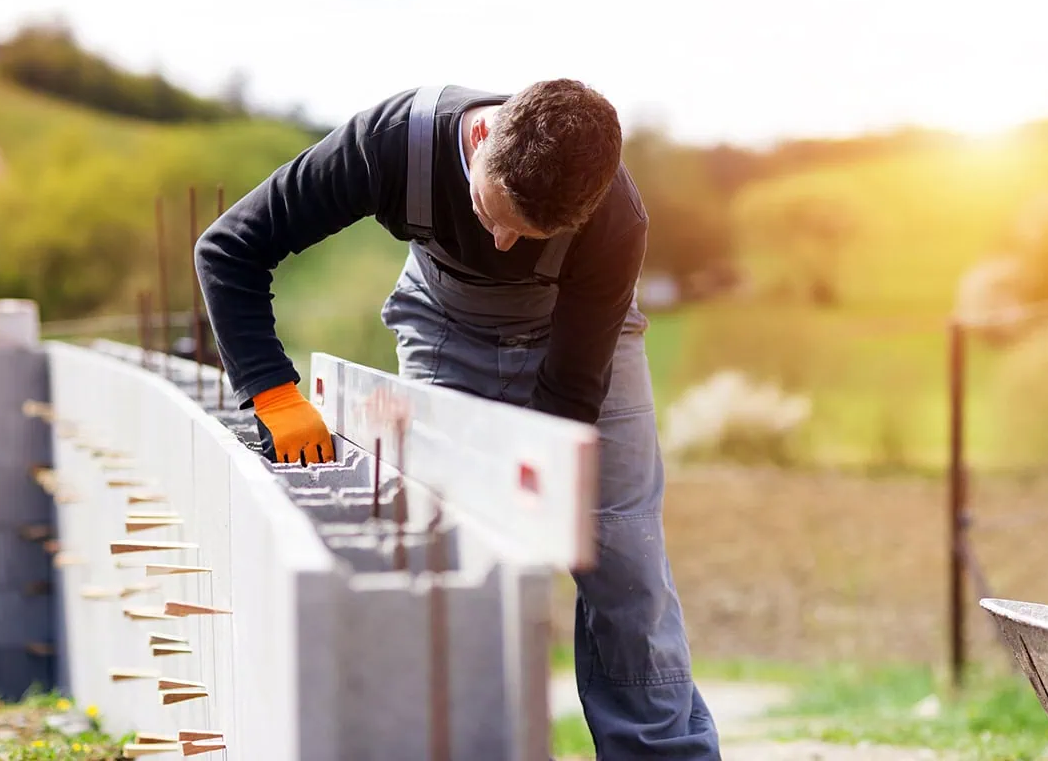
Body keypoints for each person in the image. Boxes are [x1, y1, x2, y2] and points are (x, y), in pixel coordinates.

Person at [194, 79, 720, 759]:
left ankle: (660, 752)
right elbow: (229, 249)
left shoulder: (617, 217)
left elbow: (569, 398)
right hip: (444, 327)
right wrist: (273, 395)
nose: (503, 243)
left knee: (625, 563)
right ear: (478, 140)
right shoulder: (390, 146)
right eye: (492, 211)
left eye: (529, 234)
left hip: (583, 344)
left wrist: (541, 497)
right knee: (444, 547)